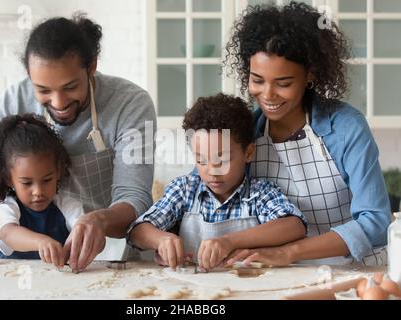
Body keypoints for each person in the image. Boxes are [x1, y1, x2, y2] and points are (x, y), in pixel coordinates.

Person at [0, 13, 156, 272]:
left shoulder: (130, 104)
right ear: (29, 74)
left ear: (91, 66)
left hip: (114, 261)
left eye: (70, 87)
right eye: (44, 90)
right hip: (36, 267)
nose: (58, 103)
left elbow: (134, 197)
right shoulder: (14, 101)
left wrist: (99, 220)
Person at [224, 1, 391, 266]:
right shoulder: (244, 132)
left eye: (284, 83)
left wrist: (288, 252)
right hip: (278, 272)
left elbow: (375, 221)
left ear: (310, 74)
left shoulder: (346, 128)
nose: (267, 95)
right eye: (257, 80)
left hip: (353, 270)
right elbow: (202, 185)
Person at [128, 93, 307, 270]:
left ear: (248, 153)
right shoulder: (184, 190)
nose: (212, 171)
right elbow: (137, 232)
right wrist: (161, 239)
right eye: (201, 161)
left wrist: (229, 241)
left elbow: (294, 225)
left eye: (222, 161)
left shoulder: (260, 193)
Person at [0, 114, 83, 268]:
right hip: (15, 281)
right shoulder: (7, 207)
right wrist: (42, 242)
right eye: (27, 183)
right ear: (9, 179)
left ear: (58, 172)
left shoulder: (67, 205)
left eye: (46, 180)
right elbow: (9, 234)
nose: (38, 191)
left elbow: (82, 228)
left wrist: (84, 238)